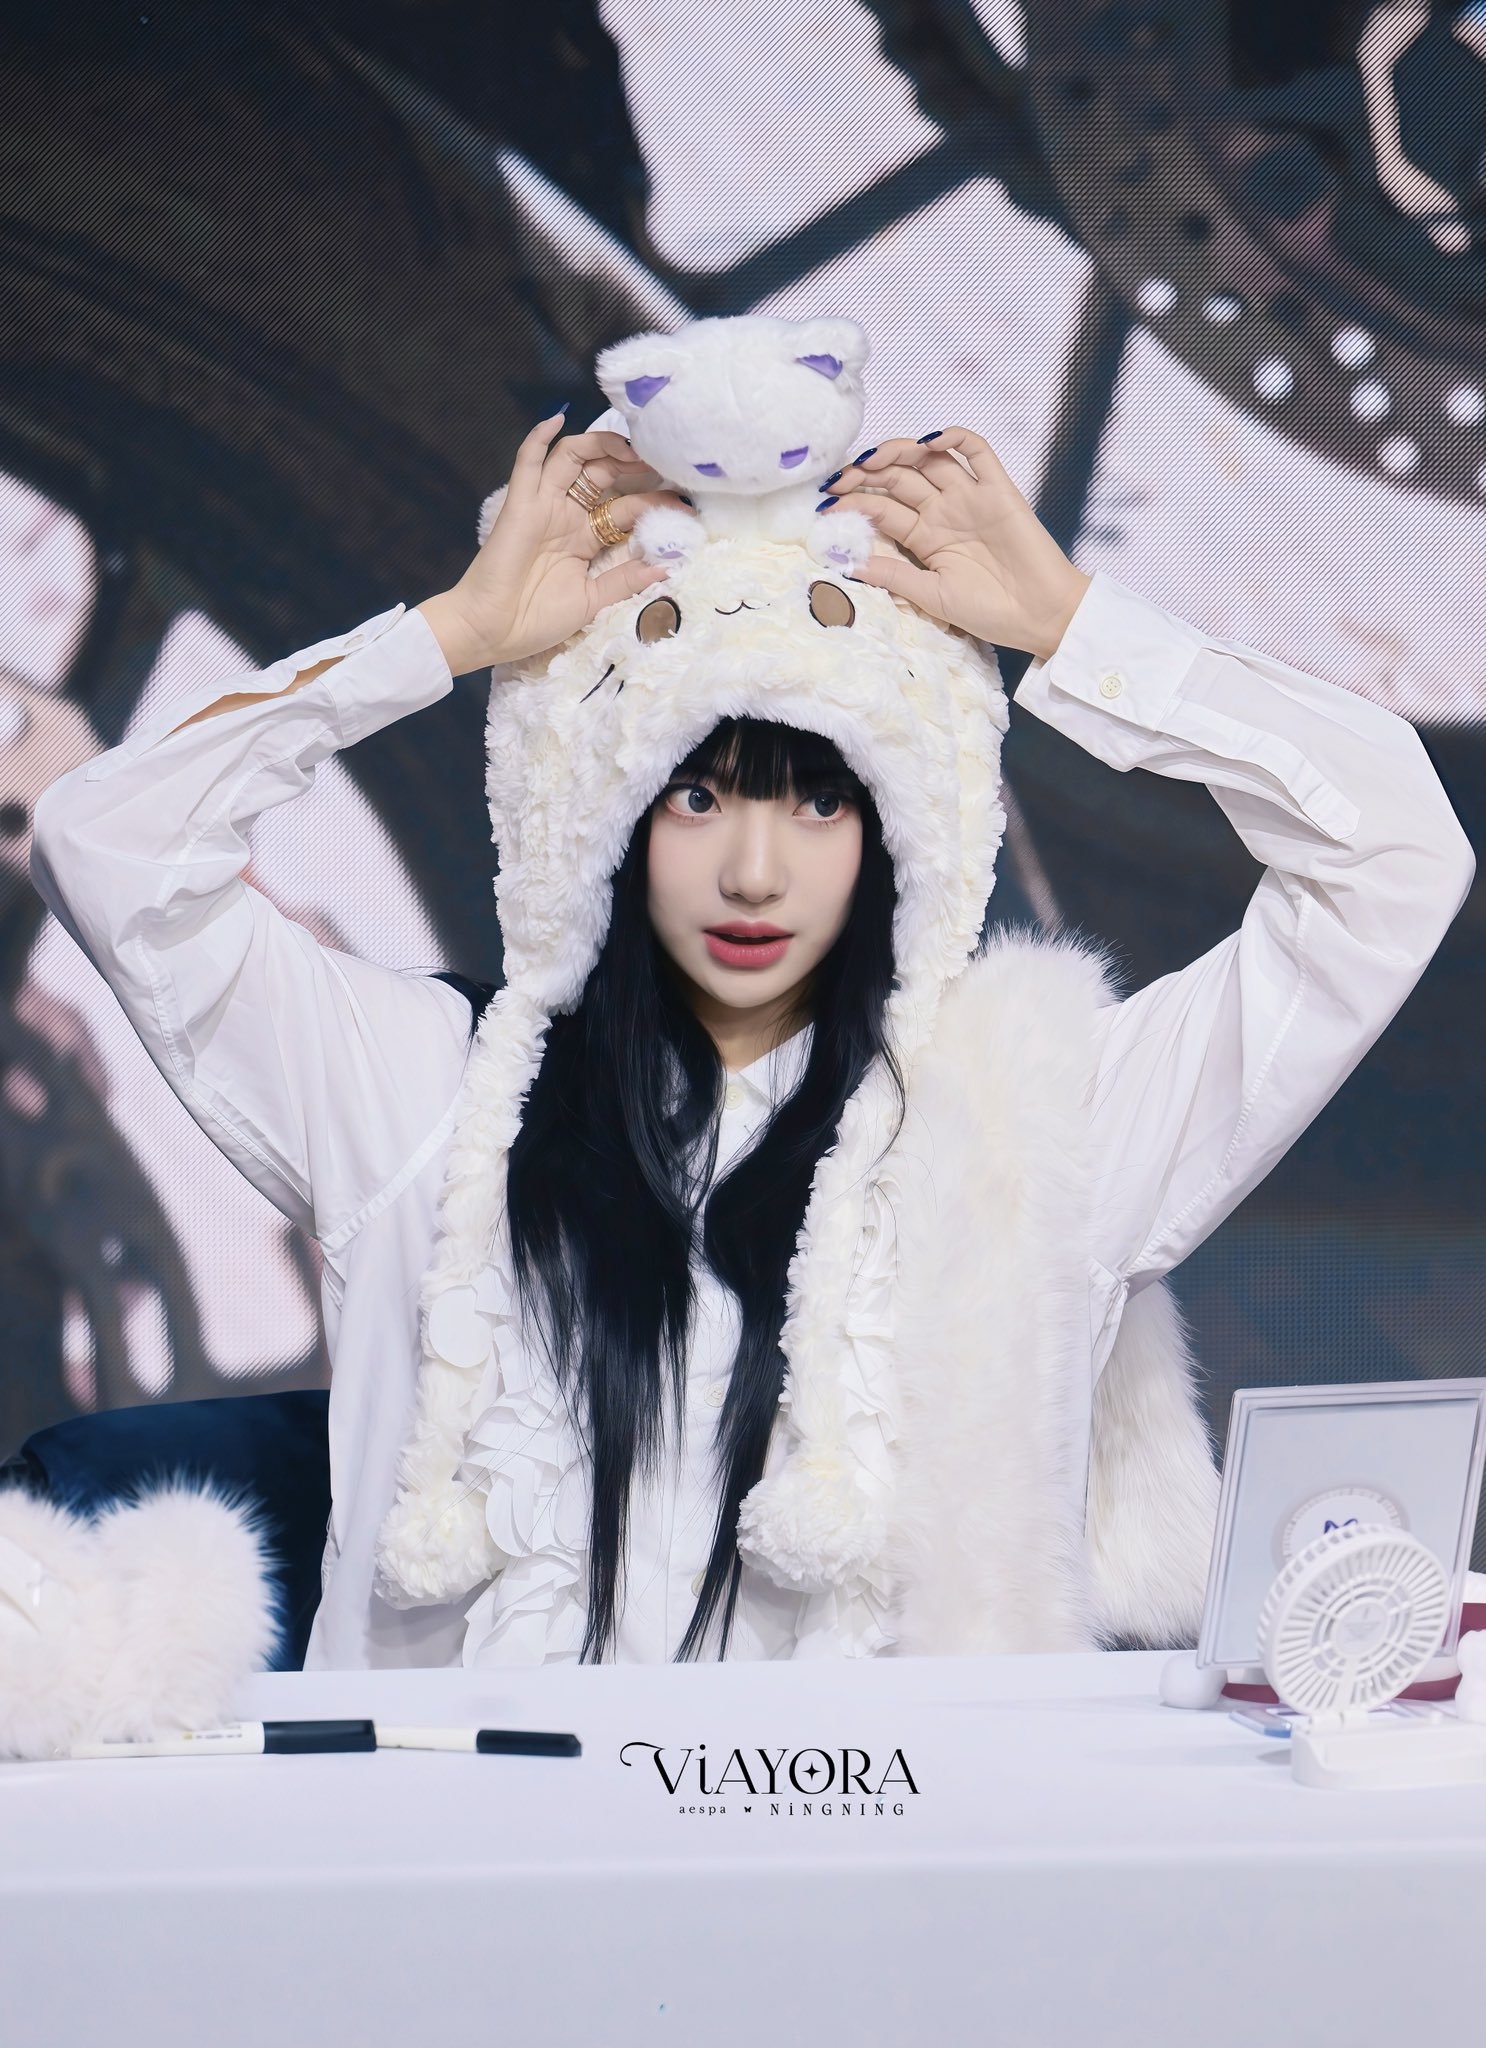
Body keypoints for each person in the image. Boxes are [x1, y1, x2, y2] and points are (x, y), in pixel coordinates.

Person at [30, 314, 1474, 1672]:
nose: (755, 872)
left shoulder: (1032, 1123)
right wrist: (453, 634)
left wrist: (1068, 625)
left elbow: (1392, 861)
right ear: (598, 808)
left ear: (902, 833)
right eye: (699, 795)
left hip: (917, 1849)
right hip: (468, 1846)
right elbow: (108, 844)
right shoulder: (424, 1092)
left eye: (821, 803)